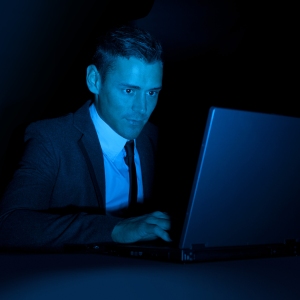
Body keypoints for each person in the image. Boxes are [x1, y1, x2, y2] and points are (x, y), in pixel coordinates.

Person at [0, 26, 171, 251]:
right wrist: (114, 229)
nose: (142, 109)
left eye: (152, 93)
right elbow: (9, 225)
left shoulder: (154, 137)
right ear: (94, 80)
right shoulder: (50, 139)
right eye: (129, 91)